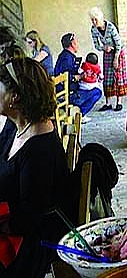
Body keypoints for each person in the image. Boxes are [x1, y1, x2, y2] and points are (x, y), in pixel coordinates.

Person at [0, 57, 73, 277]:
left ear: (15, 97)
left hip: (35, 242)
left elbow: (29, 218)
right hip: (13, 219)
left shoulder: (39, 148)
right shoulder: (15, 127)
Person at [88, 7, 127, 112]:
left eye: (95, 19)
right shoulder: (93, 29)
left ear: (100, 18)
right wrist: (104, 48)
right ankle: (108, 103)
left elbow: (118, 43)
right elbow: (96, 45)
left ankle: (119, 102)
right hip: (107, 53)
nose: (93, 22)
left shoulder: (110, 27)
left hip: (118, 52)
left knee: (118, 76)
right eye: (92, 19)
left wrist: (116, 58)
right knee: (107, 77)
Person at [54, 32, 102, 120]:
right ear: (72, 44)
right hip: (68, 94)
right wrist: (81, 76)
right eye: (76, 41)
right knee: (97, 92)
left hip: (69, 90)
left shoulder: (66, 55)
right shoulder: (67, 58)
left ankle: (78, 113)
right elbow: (65, 76)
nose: (77, 44)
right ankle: (79, 114)